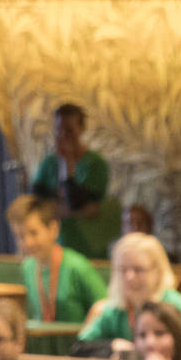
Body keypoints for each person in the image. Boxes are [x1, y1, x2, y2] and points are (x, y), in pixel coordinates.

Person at [75, 232, 181, 359]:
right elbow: (79, 347)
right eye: (123, 269)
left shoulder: (173, 304)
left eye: (138, 269)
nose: (129, 277)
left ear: (158, 271)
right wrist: (112, 345)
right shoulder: (115, 308)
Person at [8, 195, 106, 326]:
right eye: (19, 236)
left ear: (53, 229)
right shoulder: (27, 266)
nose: (26, 243)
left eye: (33, 233)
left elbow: (106, 305)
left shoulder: (76, 266)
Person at [30, 103, 112, 259]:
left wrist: (67, 165)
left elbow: (77, 203)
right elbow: (36, 205)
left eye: (69, 130)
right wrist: (76, 212)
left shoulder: (95, 164)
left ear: (81, 129)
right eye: (59, 129)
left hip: (89, 248)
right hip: (58, 247)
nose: (63, 135)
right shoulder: (48, 163)